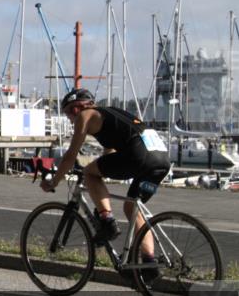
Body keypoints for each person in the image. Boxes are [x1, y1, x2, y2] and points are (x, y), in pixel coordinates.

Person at [40, 88, 170, 268]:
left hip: (140, 157)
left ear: (76, 108)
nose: (70, 118)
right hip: (161, 162)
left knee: (88, 172)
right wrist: (100, 189)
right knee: (132, 207)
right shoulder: (110, 115)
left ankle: (107, 221)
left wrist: (54, 181)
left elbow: (70, 155)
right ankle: (148, 263)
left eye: (68, 113)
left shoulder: (84, 116)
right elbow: (109, 155)